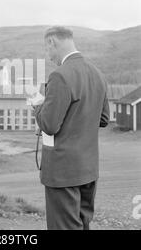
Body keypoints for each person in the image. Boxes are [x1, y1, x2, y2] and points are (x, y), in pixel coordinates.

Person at [34, 26, 109, 230]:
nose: (48, 56)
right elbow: (103, 119)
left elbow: (49, 125)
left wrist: (38, 105)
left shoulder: (59, 76)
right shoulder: (98, 73)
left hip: (63, 171)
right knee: (83, 225)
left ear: (52, 42)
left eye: (46, 49)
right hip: (88, 169)